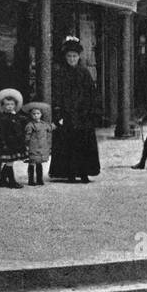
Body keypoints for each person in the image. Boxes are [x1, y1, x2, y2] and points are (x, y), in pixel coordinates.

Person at [49, 35, 101, 183]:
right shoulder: (60, 73)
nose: (72, 59)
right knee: (68, 145)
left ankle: (84, 173)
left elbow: (91, 93)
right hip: (67, 114)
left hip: (83, 115)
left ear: (79, 57)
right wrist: (59, 111)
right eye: (69, 56)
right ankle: (70, 173)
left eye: (75, 56)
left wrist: (90, 110)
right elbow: (57, 94)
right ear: (65, 57)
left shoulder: (84, 72)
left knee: (84, 145)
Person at [0, 89, 27, 189]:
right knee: (9, 162)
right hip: (8, 142)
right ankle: (11, 182)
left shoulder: (15, 116)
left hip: (15, 141)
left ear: (15, 105)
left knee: (10, 162)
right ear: (3, 106)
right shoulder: (3, 117)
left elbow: (18, 127)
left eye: (12, 104)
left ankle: (3, 180)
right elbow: (2, 131)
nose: (9, 106)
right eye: (7, 104)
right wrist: (3, 142)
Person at [23, 105, 52, 187]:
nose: (36, 115)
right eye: (34, 114)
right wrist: (27, 144)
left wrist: (58, 123)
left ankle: (39, 179)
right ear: (31, 115)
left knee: (39, 163)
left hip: (42, 146)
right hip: (33, 146)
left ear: (41, 114)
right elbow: (27, 136)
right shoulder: (30, 125)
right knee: (32, 162)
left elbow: (50, 128)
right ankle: (31, 180)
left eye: (38, 113)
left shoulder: (44, 124)